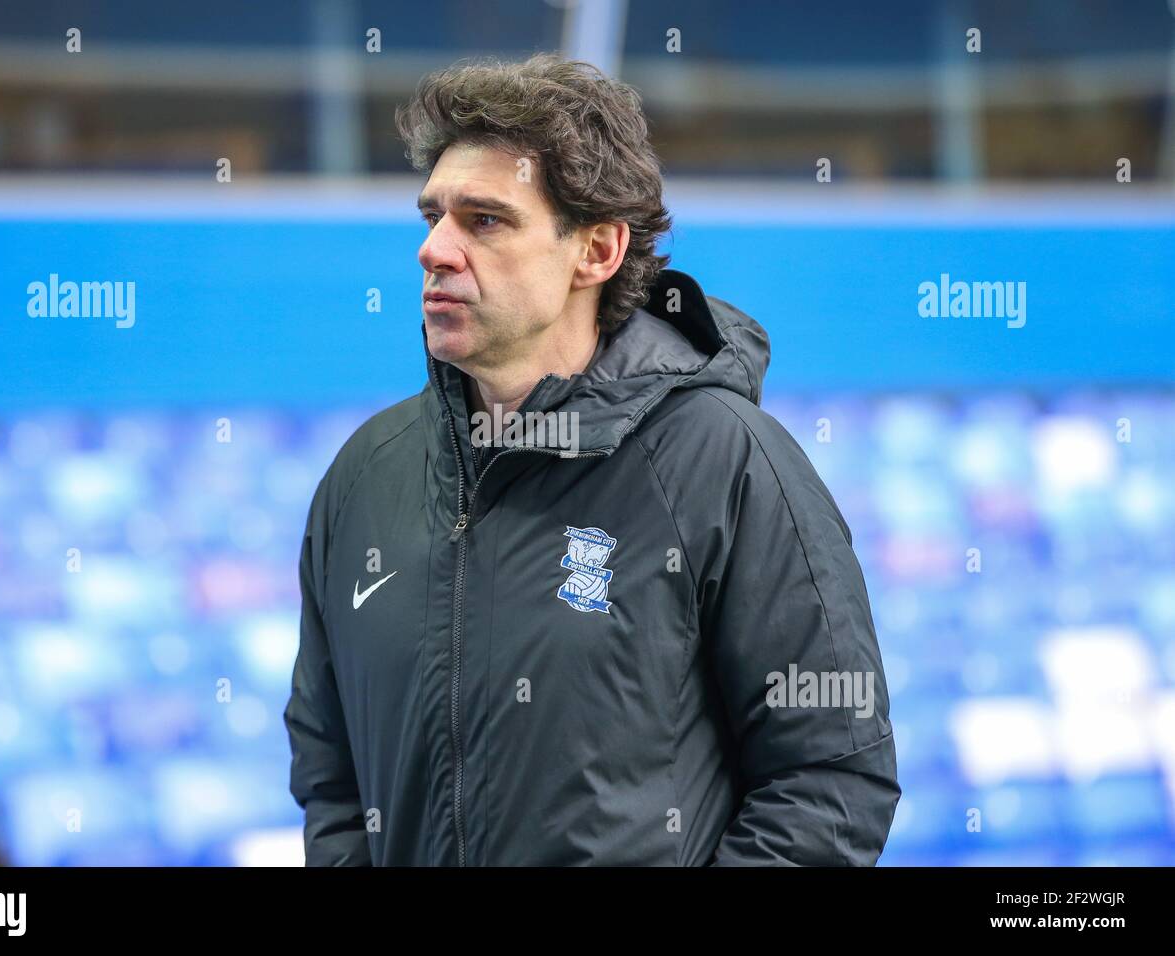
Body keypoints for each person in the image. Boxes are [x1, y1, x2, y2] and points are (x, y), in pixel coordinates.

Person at [284, 53, 900, 866]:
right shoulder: (365, 476)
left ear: (598, 250)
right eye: (432, 215)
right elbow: (331, 776)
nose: (434, 249)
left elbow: (831, 783)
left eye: (486, 220)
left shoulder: (728, 463)